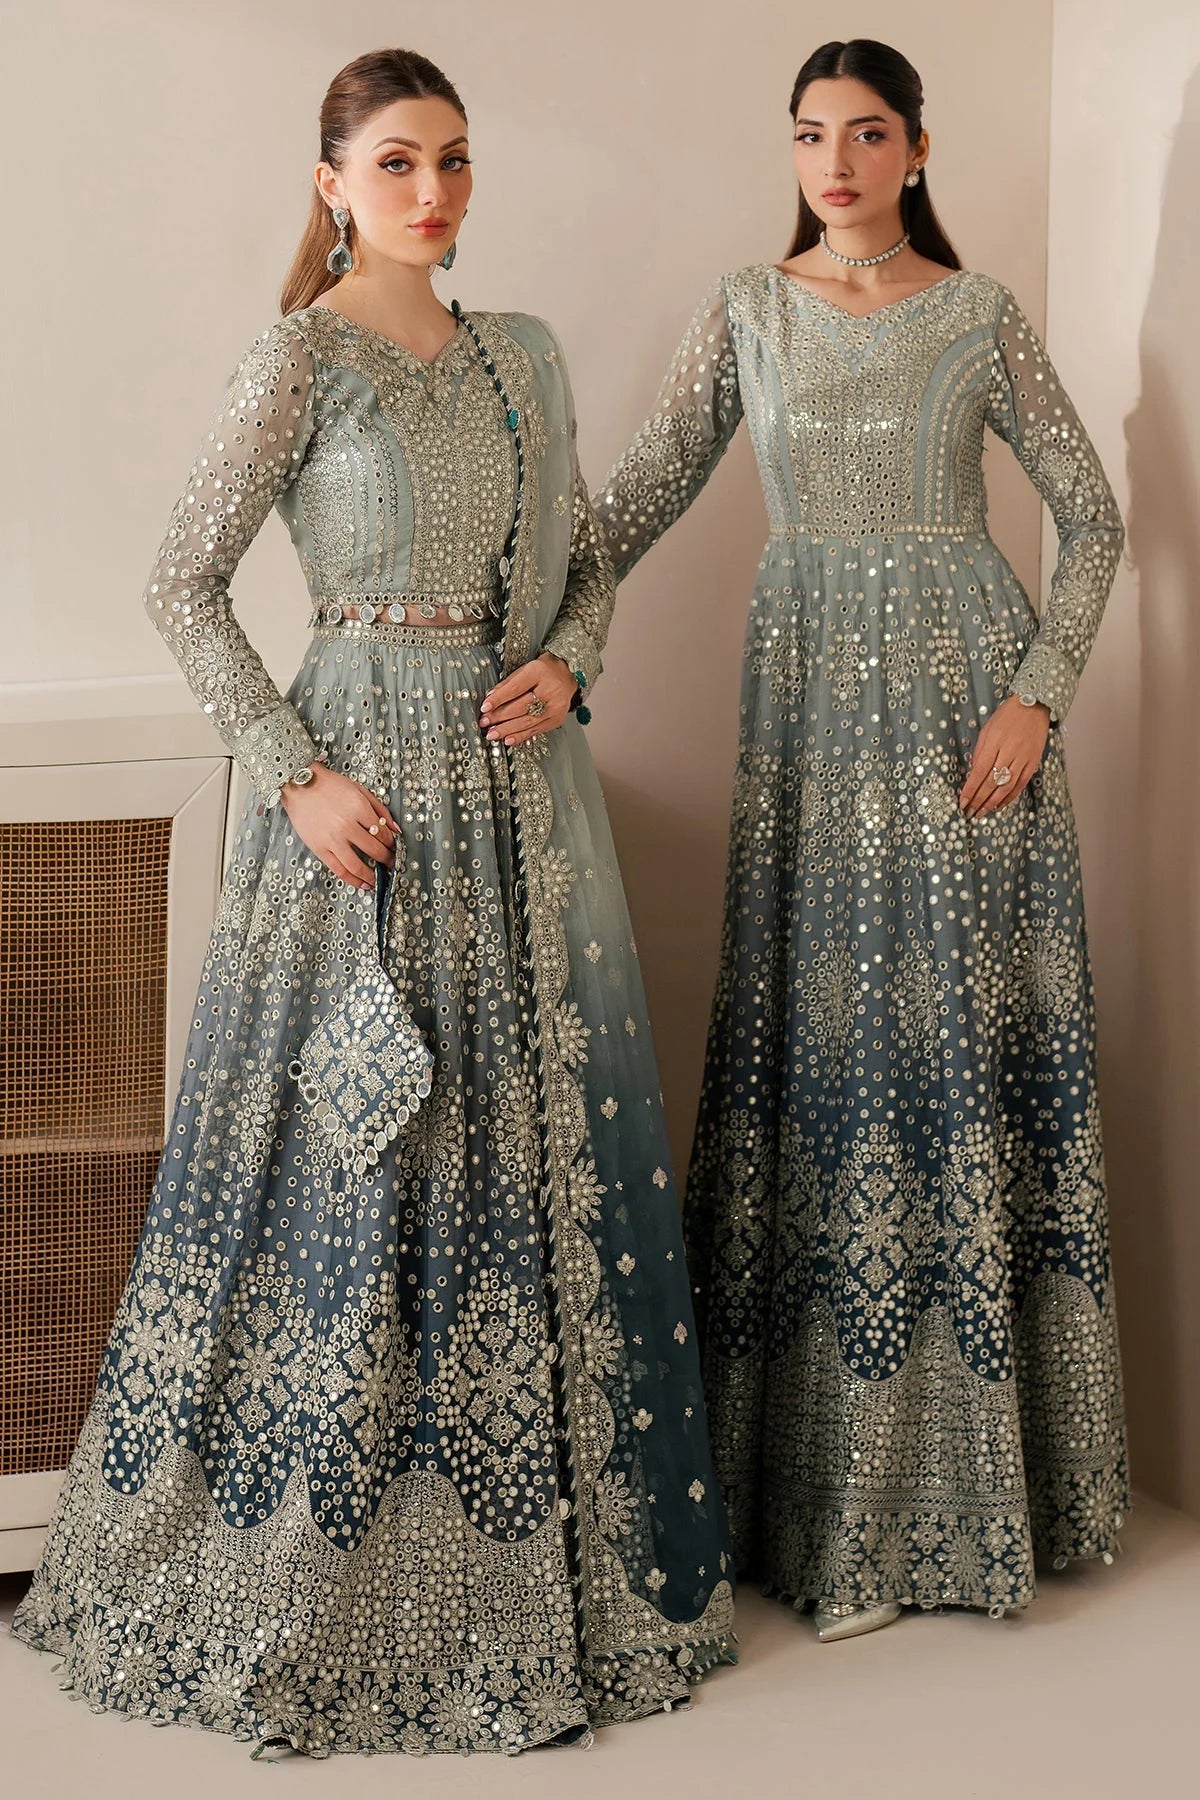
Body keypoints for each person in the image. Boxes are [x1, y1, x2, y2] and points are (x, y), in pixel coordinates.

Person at [12, 48, 735, 1755]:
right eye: (398, 164)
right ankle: (310, 1553)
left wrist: (569, 662)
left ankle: (513, 1561)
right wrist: (292, 770)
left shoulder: (522, 361)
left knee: (502, 1140)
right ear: (331, 181)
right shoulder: (301, 356)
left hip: (509, 799)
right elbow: (182, 584)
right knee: (346, 1150)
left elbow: (582, 573)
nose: (434, 193)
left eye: (456, 162)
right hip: (355, 809)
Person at [593, 36, 1128, 1642]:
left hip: (972, 716)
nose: (835, 159)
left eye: (868, 132)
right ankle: (823, 1498)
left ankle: (979, 1500)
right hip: (815, 724)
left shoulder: (980, 317)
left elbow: (1094, 519)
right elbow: (630, 507)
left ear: (916, 149)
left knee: (953, 1054)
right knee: (829, 1060)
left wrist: (1041, 695)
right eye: (813, 133)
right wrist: (512, 614)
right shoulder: (744, 313)